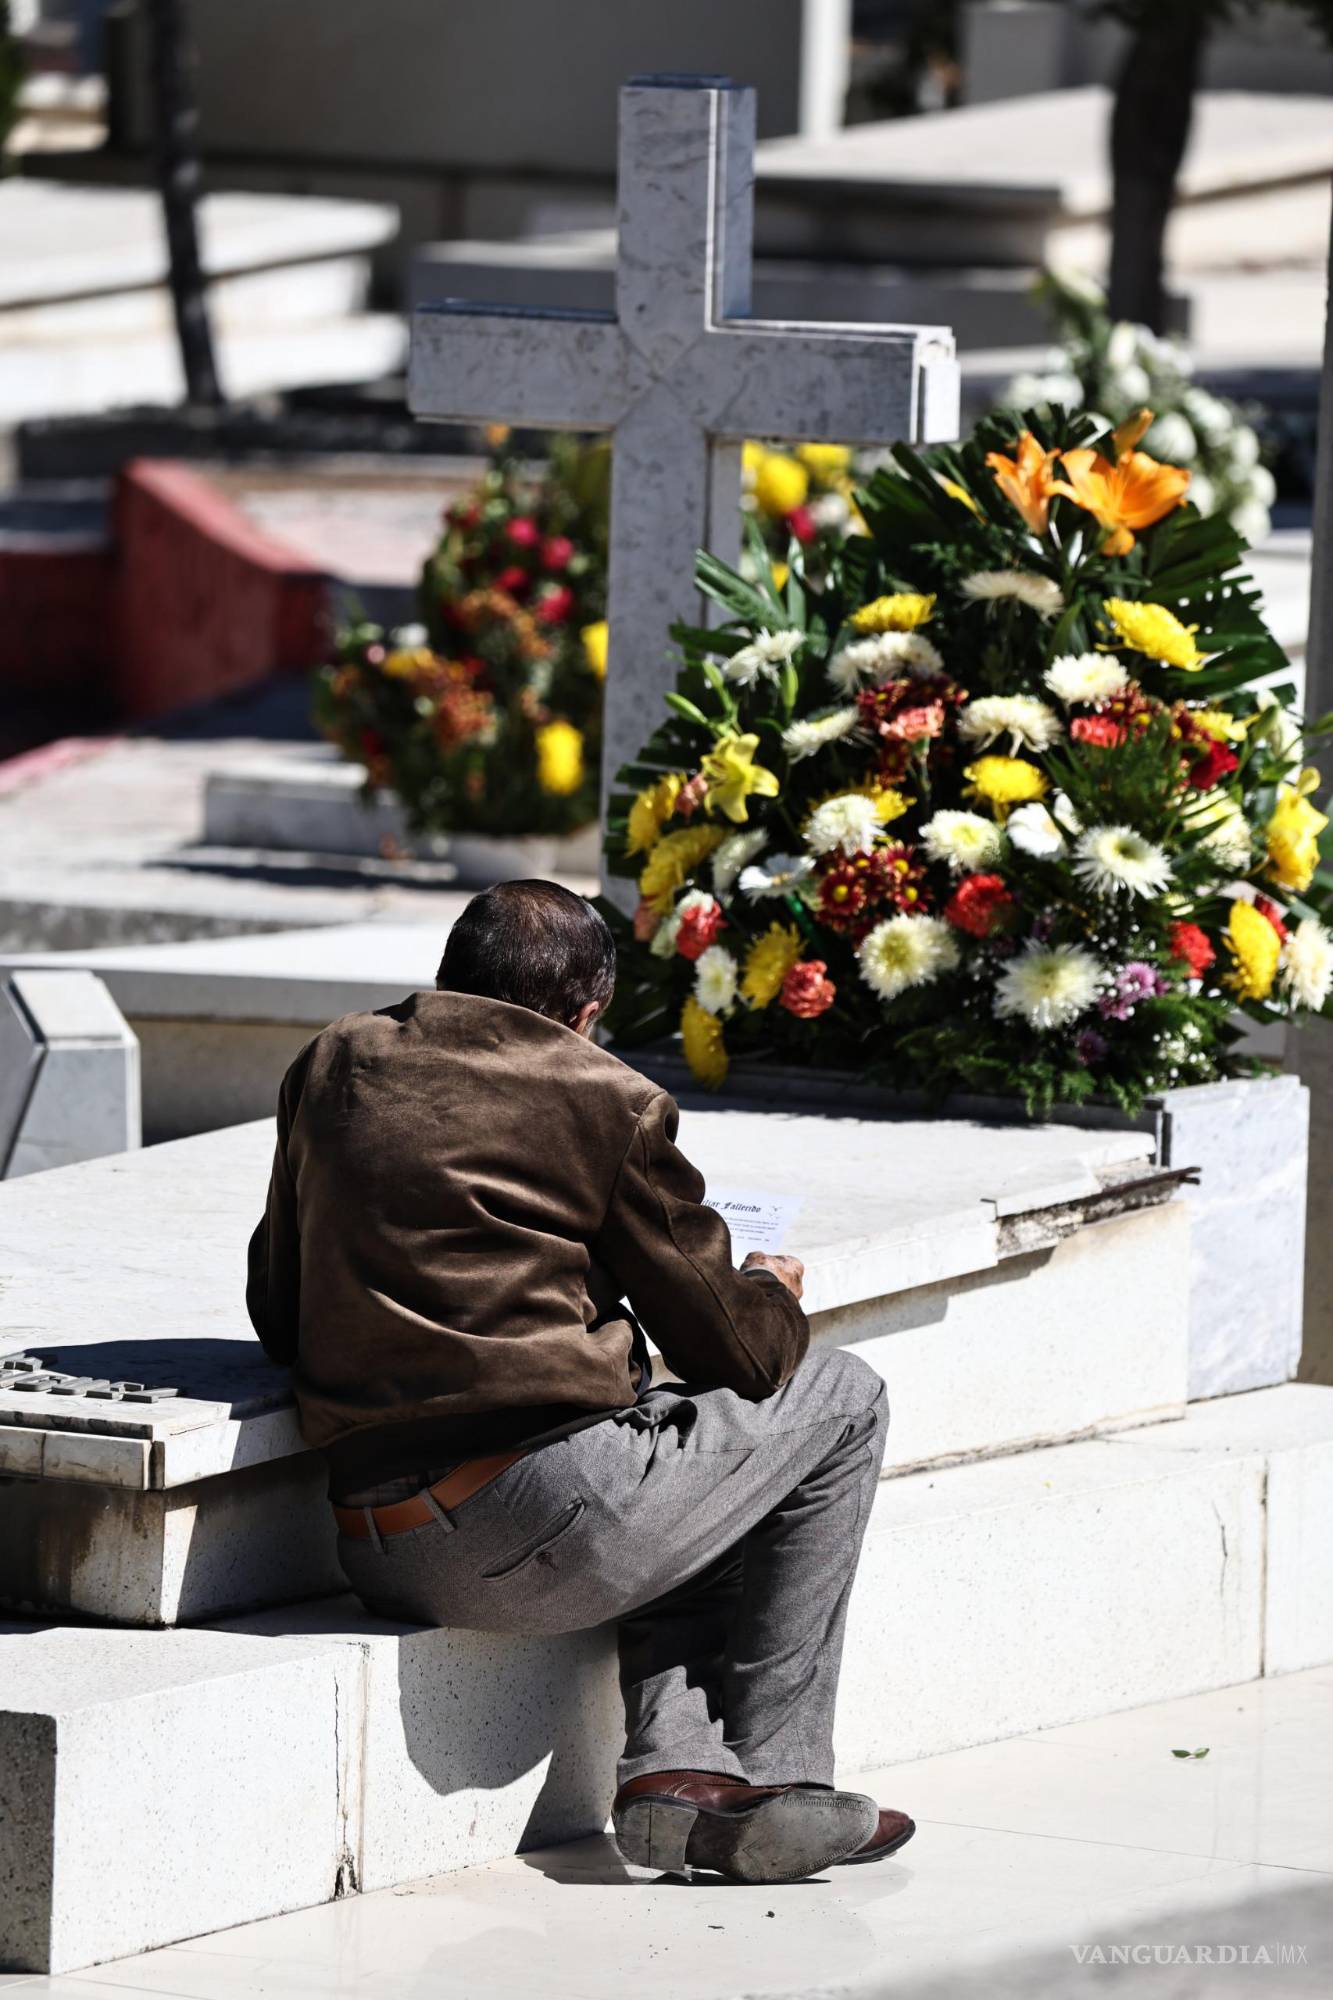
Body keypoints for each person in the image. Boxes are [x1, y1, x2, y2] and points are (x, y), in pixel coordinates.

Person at [247, 879, 913, 1884]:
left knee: (685, 1460)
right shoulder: (607, 1099)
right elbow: (739, 1353)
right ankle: (783, 1774)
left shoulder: (334, 1058)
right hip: (543, 1525)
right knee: (840, 1397)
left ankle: (677, 1780)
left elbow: (275, 1306)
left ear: (451, 974)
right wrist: (769, 1289)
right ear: (586, 1012)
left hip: (376, 1544)